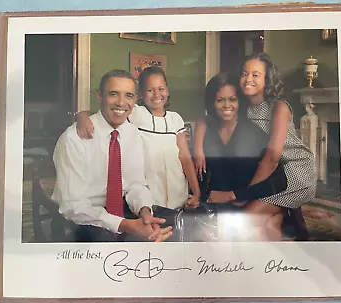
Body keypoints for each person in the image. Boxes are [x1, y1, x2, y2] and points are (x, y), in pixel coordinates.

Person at [193, 53, 316, 241]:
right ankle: (278, 246)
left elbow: (272, 157)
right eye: (244, 73)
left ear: (267, 79)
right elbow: (203, 120)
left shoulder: (279, 107)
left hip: (294, 171)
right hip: (273, 172)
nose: (248, 79)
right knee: (267, 223)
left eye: (256, 75)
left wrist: (241, 195)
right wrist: (198, 149)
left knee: (241, 221)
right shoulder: (242, 105)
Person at [51, 69, 172, 242]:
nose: (121, 103)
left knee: (167, 229)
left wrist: (145, 211)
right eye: (114, 94)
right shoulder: (73, 139)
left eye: (129, 96)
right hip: (80, 219)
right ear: (99, 96)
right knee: (111, 248)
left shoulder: (133, 134)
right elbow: (73, 205)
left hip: (120, 210)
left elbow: (135, 184)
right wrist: (125, 225)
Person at [76, 66, 201, 210]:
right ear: (140, 94)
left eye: (161, 88)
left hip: (177, 191)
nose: (156, 94)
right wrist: (81, 117)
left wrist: (196, 192)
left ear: (167, 90)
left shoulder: (175, 119)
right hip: (147, 194)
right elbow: (103, 113)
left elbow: (184, 157)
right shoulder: (135, 113)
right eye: (150, 90)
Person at [195, 72, 288, 242]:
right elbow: (204, 175)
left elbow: (279, 181)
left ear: (239, 101)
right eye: (220, 100)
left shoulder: (253, 133)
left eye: (232, 99)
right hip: (222, 204)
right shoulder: (207, 133)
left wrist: (234, 195)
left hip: (255, 197)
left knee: (250, 232)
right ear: (212, 103)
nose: (226, 105)